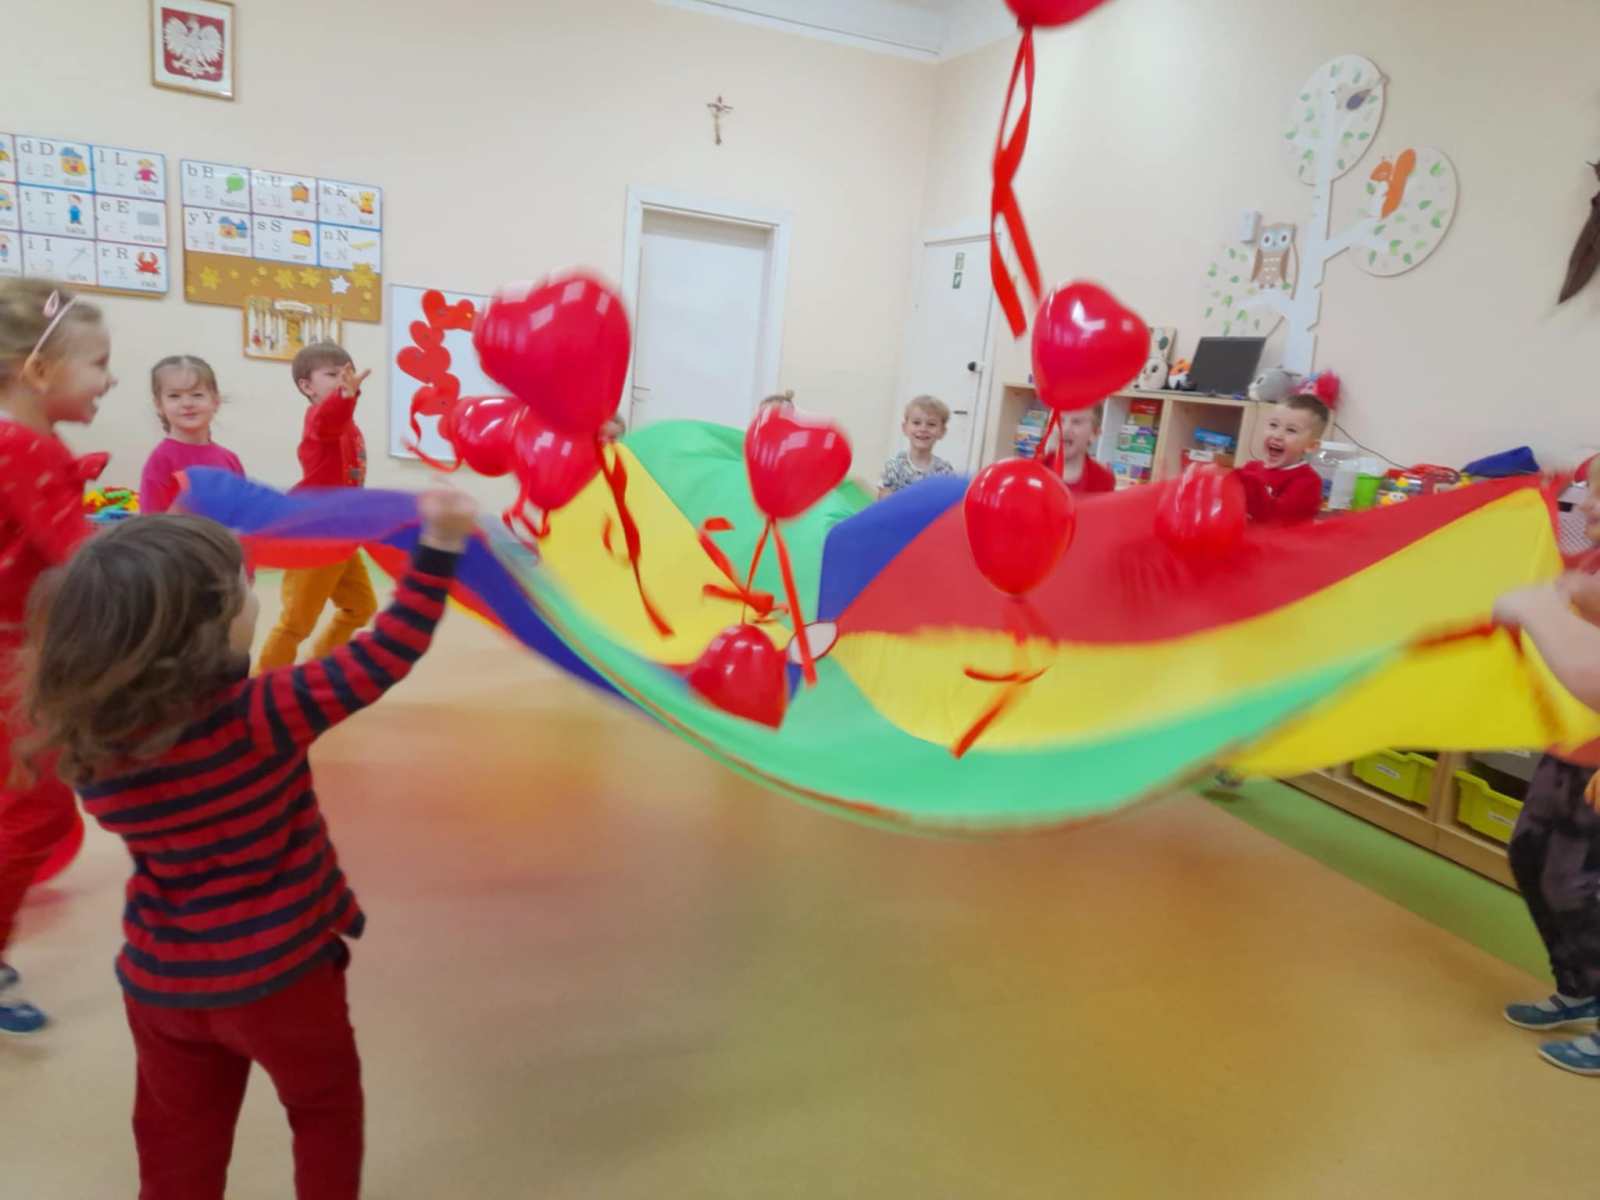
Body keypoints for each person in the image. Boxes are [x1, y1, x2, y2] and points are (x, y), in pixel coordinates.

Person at [13, 489, 476, 1195]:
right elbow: (388, 649)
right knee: (322, 1109)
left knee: (177, 1135)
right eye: (244, 591)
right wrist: (439, 547)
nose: (254, 597)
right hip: (283, 977)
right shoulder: (265, 714)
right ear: (210, 632)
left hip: (162, 985)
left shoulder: (90, 745)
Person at [0, 279, 116, 1034]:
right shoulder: (26, 447)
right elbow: (77, 559)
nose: (109, 379)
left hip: (19, 649)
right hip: (13, 661)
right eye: (97, 363)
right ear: (39, 371)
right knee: (33, 814)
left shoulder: (23, 444)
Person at [1492, 463, 1600, 1077]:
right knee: (1529, 856)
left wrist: (1540, 609)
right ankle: (1579, 985)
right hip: (1572, 748)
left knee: (1573, 882)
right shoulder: (1591, 561)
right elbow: (1570, 589)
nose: (1588, 511)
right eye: (1589, 497)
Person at [257, 343, 374, 670]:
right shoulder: (319, 422)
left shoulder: (349, 426)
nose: (344, 379)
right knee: (297, 622)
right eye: (332, 375)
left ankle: (317, 668)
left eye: (348, 373)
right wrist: (345, 397)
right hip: (315, 536)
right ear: (307, 387)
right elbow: (329, 420)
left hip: (343, 536)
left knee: (360, 607)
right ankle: (264, 682)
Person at [138, 355, 246, 514]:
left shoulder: (230, 460)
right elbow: (149, 523)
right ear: (159, 405)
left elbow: (242, 515)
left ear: (215, 402)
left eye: (197, 395)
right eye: (174, 396)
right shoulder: (161, 460)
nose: (187, 404)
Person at [1235, 393, 1327, 525]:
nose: (1277, 435)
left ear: (1311, 446)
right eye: (1273, 425)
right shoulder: (1251, 468)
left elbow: (1278, 521)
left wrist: (1251, 484)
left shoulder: (1308, 481)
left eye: (1291, 430)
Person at [879, 395, 956, 499]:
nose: (923, 429)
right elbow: (884, 503)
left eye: (931, 424)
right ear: (905, 428)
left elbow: (949, 503)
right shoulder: (894, 466)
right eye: (916, 423)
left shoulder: (945, 471)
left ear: (942, 431)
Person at [1043, 403, 1116, 496]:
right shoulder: (1032, 472)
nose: (1065, 429)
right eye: (1059, 419)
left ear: (1094, 433)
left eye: (1076, 422)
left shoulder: (1103, 480)